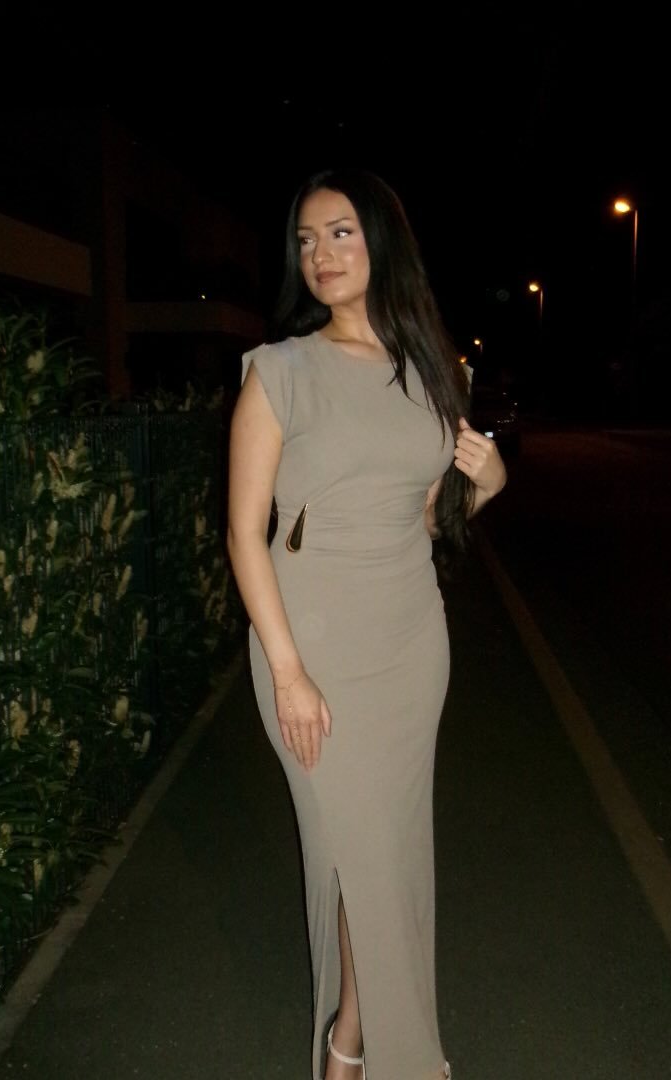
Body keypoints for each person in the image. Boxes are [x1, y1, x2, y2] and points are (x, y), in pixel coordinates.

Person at [226, 168, 507, 1080]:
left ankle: (348, 1041)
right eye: (307, 240)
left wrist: (488, 485)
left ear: (382, 240)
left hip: (409, 641)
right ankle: (394, 1058)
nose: (321, 254)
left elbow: (423, 519)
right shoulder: (280, 371)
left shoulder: (432, 373)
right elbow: (244, 533)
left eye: (340, 232)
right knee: (362, 856)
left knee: (387, 856)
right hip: (309, 643)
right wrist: (288, 672)